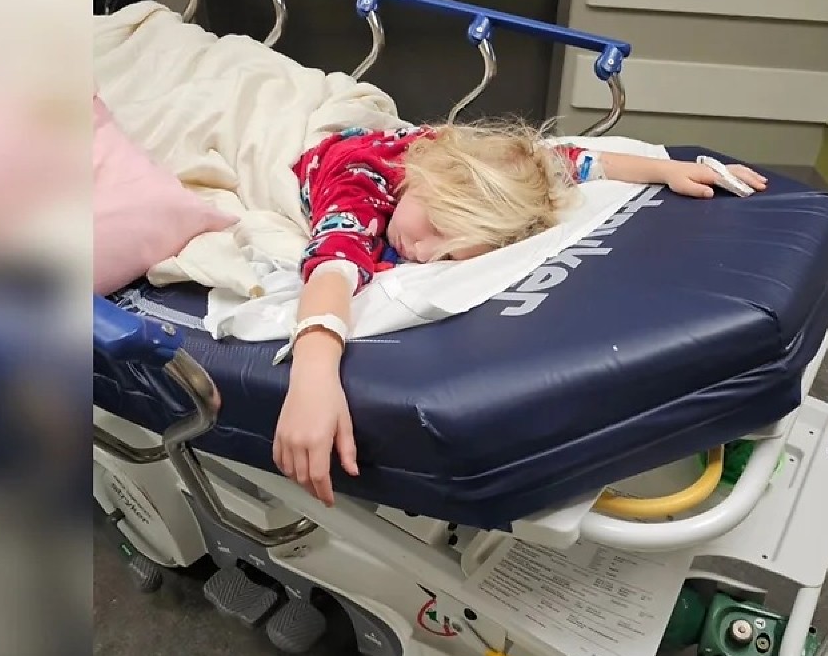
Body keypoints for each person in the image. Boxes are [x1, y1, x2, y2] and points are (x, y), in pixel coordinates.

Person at [273, 120, 768, 506]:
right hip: (333, 146)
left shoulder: (485, 175)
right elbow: (331, 270)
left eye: (448, 255)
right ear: (423, 183)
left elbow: (572, 162)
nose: (421, 253)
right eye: (435, 228)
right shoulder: (359, 188)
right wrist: (313, 374)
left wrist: (667, 170)